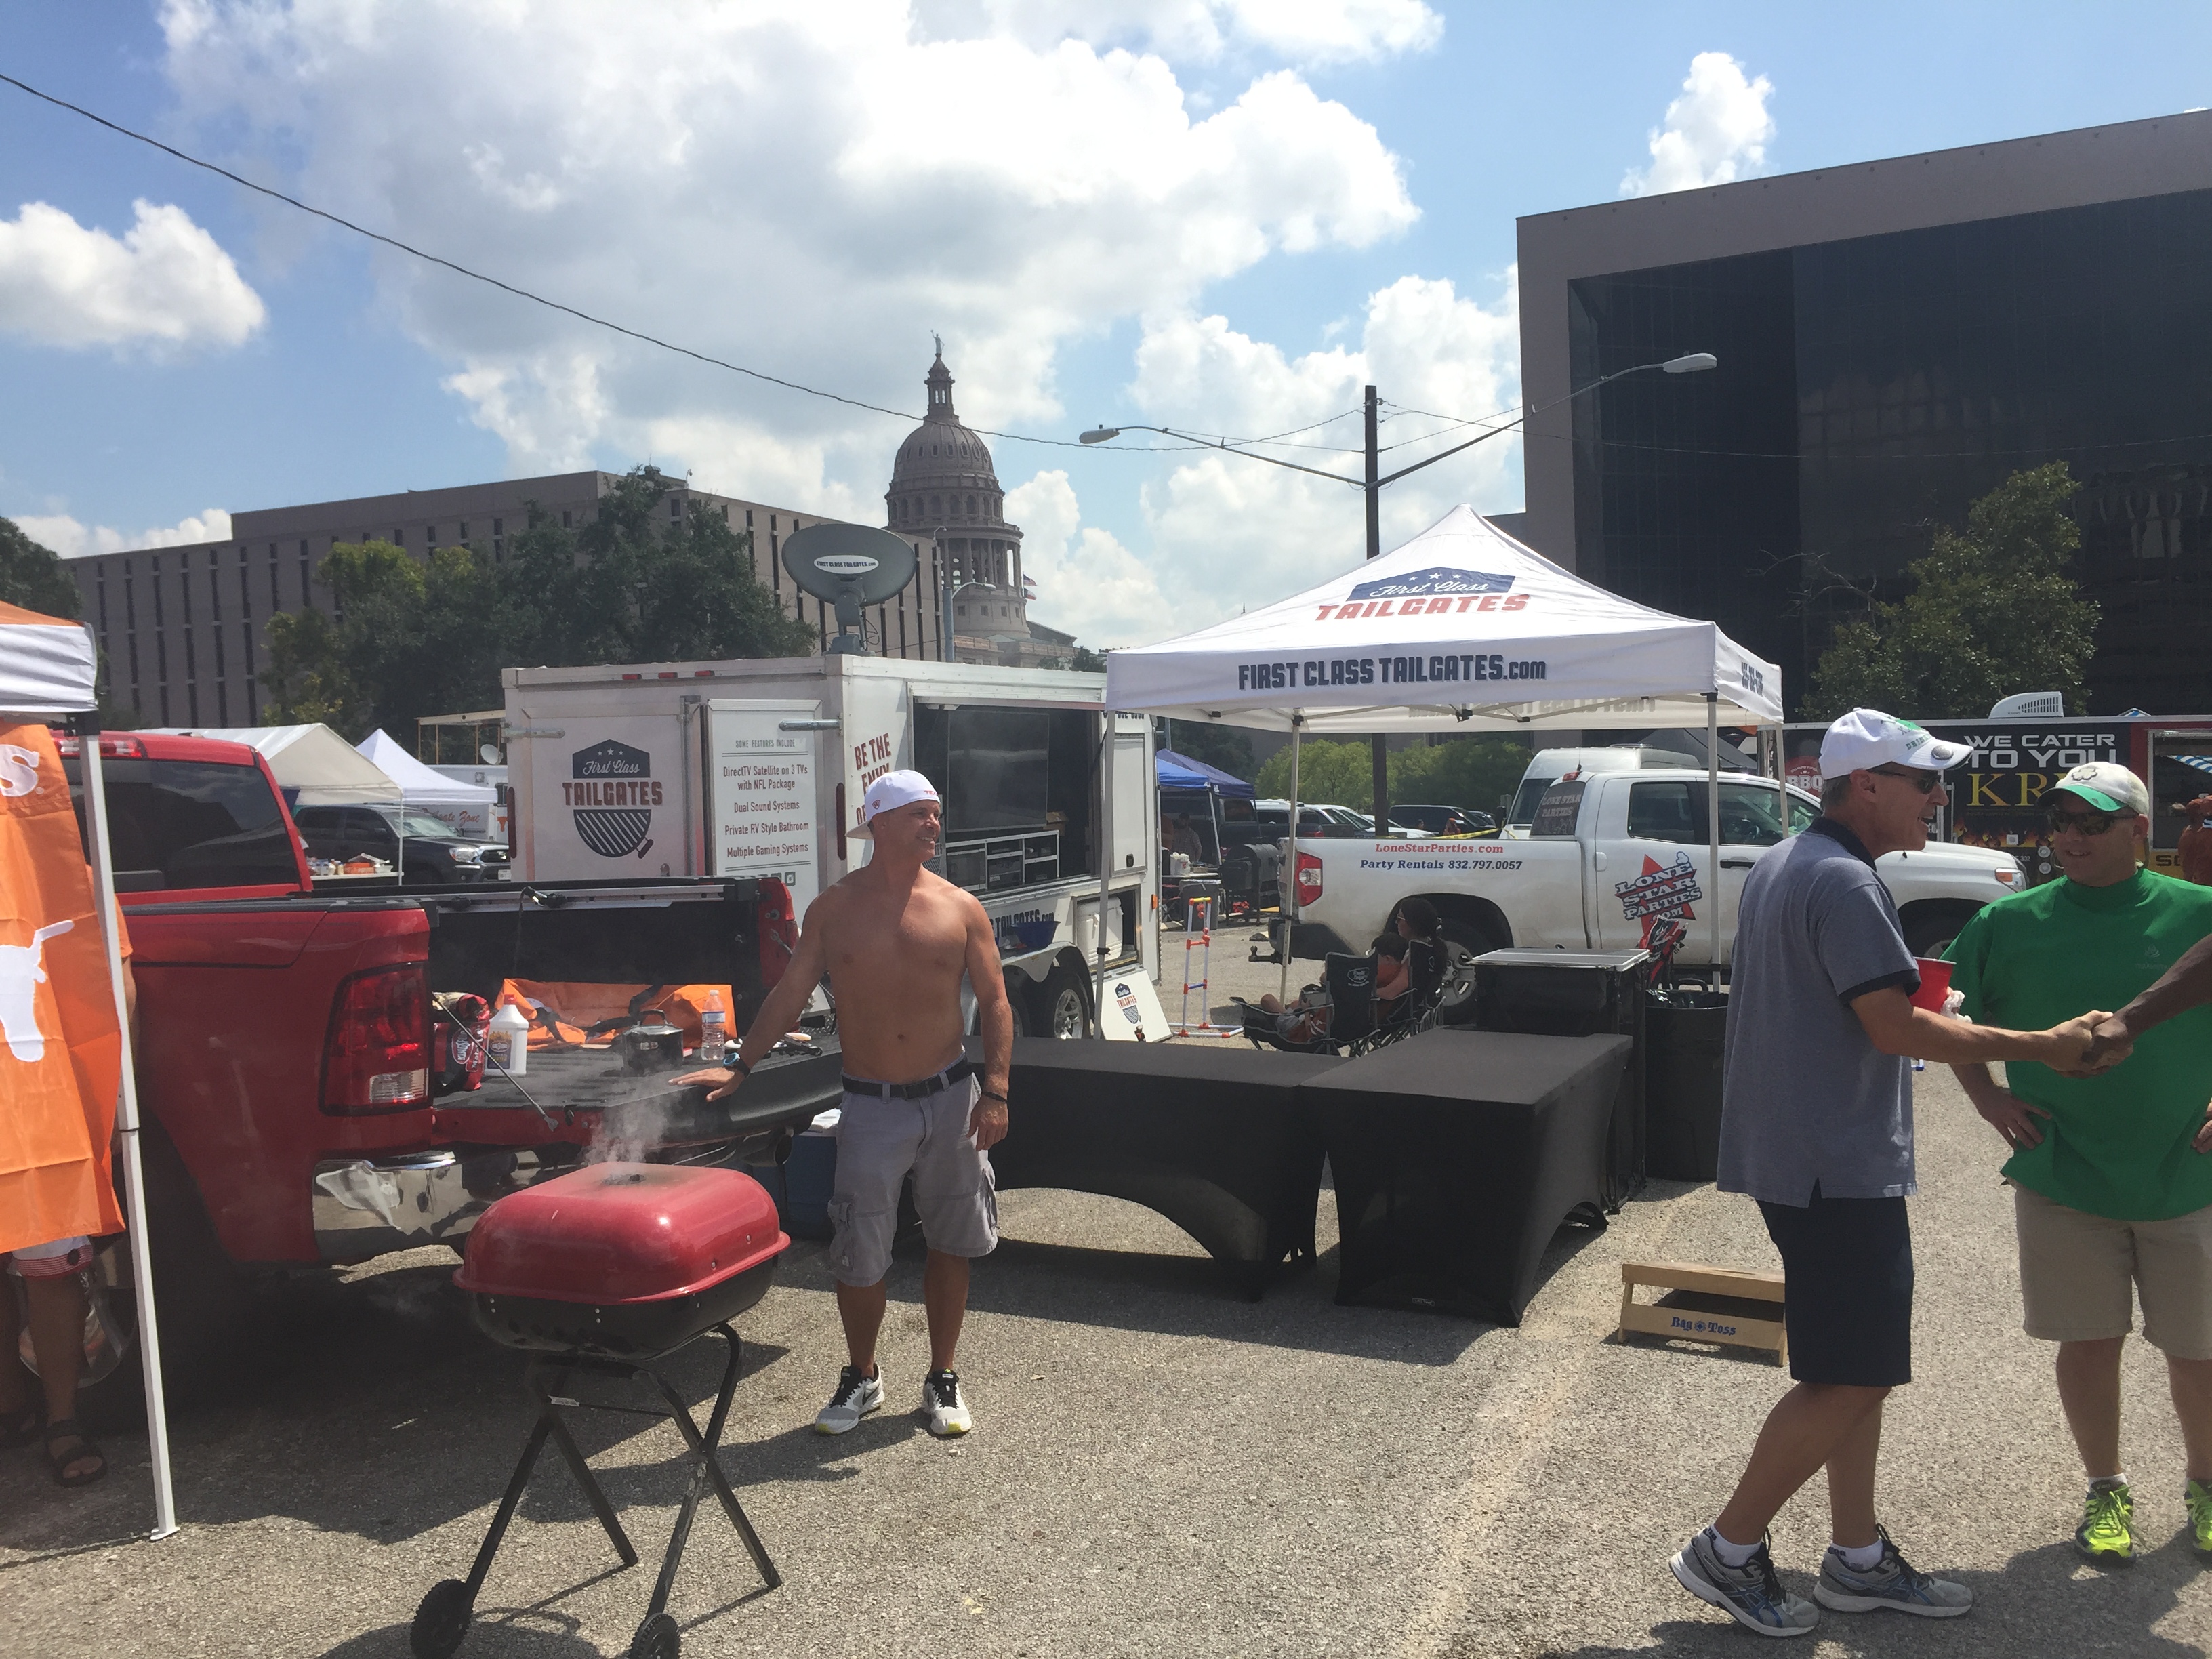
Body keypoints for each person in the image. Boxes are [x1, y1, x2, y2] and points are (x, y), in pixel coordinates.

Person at [1672, 709, 2109, 1637]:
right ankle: (1729, 1548)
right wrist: (2045, 1045)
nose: (1938, 798)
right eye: (1924, 781)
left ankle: (1857, 1557)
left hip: (1802, 1156)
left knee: (1851, 1368)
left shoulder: (1792, 864)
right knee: (1852, 1377)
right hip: (1833, 1163)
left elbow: (1860, 1005)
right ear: (1868, 785)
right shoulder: (1840, 878)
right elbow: (1895, 1028)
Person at [676, 771, 1011, 1439]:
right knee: (860, 1248)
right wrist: (741, 1065)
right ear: (879, 823)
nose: (933, 826)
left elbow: (996, 1002)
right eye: (920, 814)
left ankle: (942, 1376)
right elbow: (792, 993)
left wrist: (997, 1092)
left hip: (950, 1097)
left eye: (936, 815)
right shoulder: (833, 909)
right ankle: (863, 1375)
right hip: (871, 1104)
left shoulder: (960, 907)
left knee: (954, 1241)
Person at [1943, 762, 2212, 1567]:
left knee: (2199, 1349)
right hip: (2064, 1174)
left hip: (2187, 1171)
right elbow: (1945, 1015)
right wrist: (1985, 1098)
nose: (2068, 837)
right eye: (2058, 821)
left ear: (2139, 831)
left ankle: (2205, 1487)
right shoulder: (2010, 921)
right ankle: (2106, 1488)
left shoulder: (2199, 913)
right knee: (2089, 1342)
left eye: (2091, 823)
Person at [0, 926, 134, 1488]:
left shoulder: (40, 854)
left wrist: (101, 1083)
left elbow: (114, 980)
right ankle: (13, 1408)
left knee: (48, 1255)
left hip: (34, 1083)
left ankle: (61, 1418)